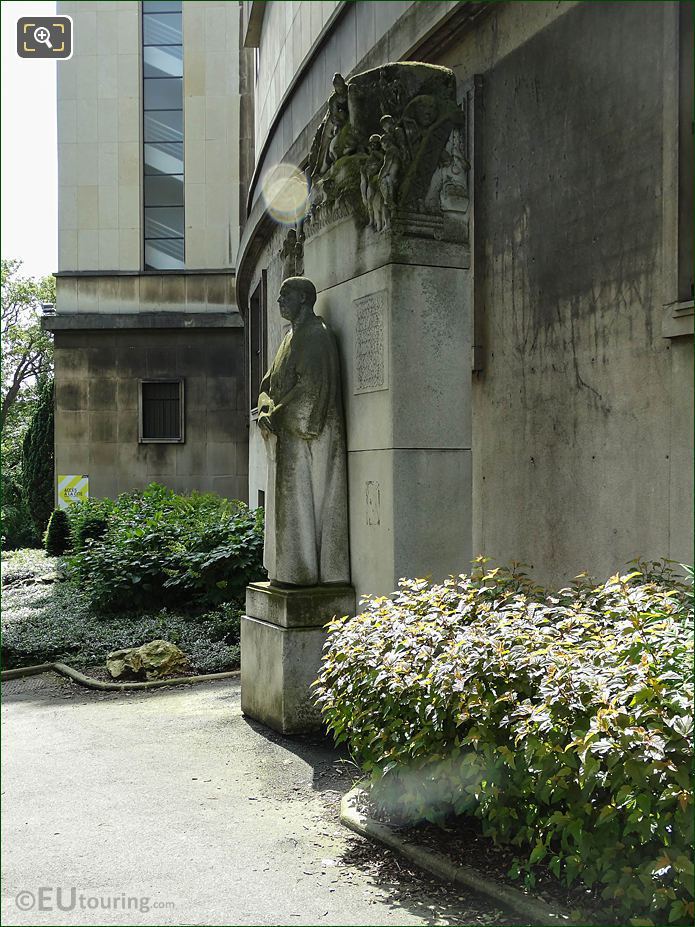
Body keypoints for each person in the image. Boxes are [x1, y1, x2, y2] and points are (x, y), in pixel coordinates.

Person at [257, 277, 350, 587]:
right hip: (285, 435)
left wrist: (277, 416)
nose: (279, 300)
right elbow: (268, 383)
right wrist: (265, 406)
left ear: (304, 299)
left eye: (286, 294)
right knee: (285, 506)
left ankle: (300, 574)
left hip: (302, 440)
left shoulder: (316, 336)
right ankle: (287, 572)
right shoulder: (289, 337)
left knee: (300, 505)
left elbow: (312, 390)